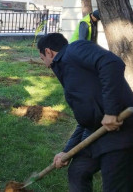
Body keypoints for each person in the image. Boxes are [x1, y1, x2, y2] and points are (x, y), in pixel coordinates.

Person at [37, 33, 133, 192]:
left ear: (48, 52)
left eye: (42, 59)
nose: (46, 65)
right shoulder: (67, 71)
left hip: (120, 135)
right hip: (96, 134)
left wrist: (111, 111)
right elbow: (86, 121)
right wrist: (66, 151)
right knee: (78, 171)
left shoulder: (75, 49)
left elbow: (111, 62)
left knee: (115, 186)